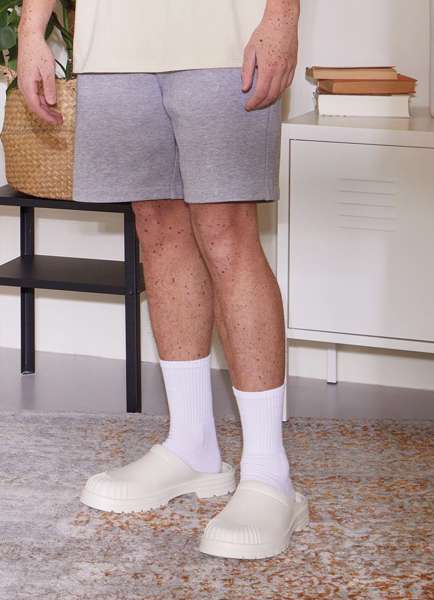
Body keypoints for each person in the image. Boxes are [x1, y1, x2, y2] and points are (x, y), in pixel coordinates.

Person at [17, 0, 308, 560]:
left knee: (227, 234)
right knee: (157, 228)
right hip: (112, 51)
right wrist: (32, 29)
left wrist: (282, 17)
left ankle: (270, 472)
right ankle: (192, 445)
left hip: (224, 42)